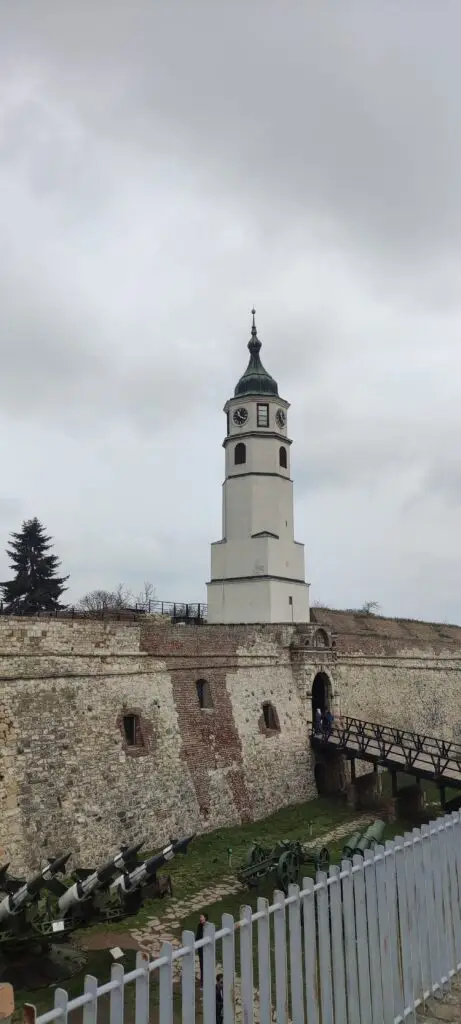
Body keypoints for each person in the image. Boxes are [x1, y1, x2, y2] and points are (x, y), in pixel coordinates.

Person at [195, 912, 208, 987]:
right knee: (202, 966)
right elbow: (198, 936)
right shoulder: (199, 926)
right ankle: (202, 983)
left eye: (201, 917)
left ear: (205, 918)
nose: (200, 918)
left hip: (207, 949)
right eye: (200, 917)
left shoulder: (208, 926)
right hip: (201, 949)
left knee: (207, 966)